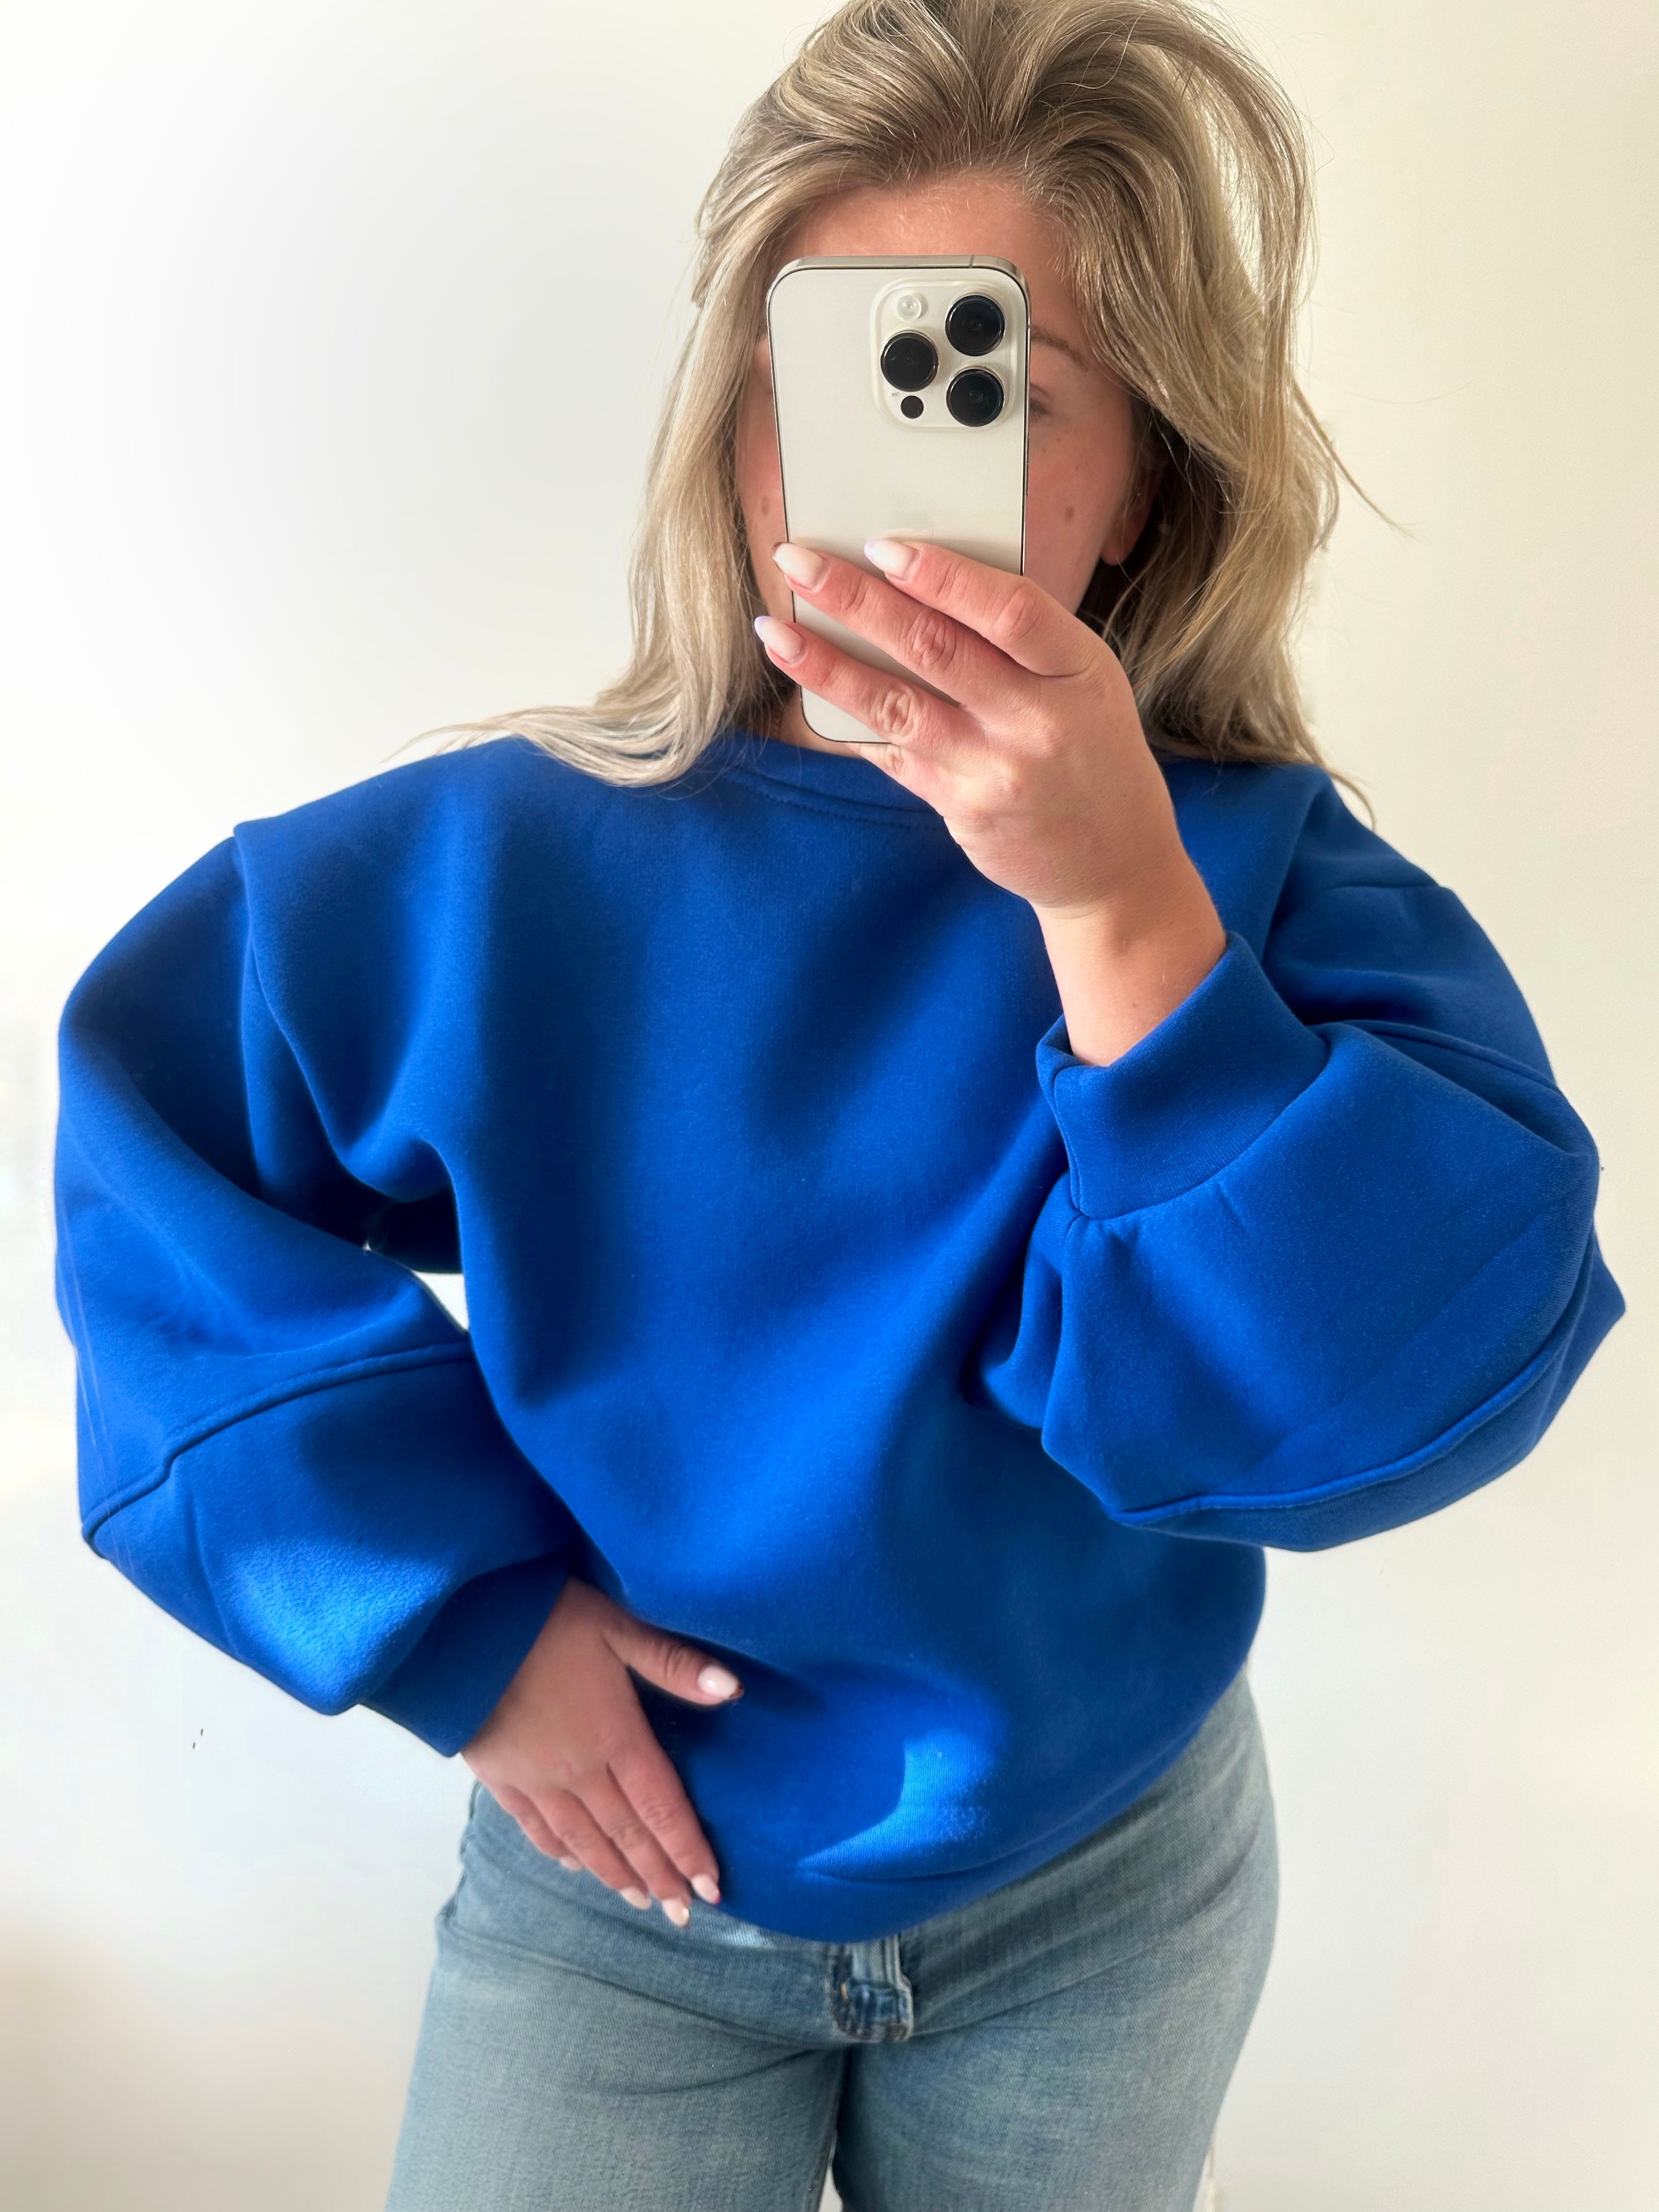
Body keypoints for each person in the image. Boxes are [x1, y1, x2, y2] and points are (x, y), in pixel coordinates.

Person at [52, 1, 1624, 2206]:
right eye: (823, 375)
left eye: (985, 385)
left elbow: (1393, 1395)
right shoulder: (503, 873)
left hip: (1108, 1884)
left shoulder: (1255, 880)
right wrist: (459, 1629)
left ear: (1143, 477)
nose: (871, 470)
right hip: (625, 1892)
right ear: (726, 420)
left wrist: (1121, 914)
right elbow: (154, 1162)